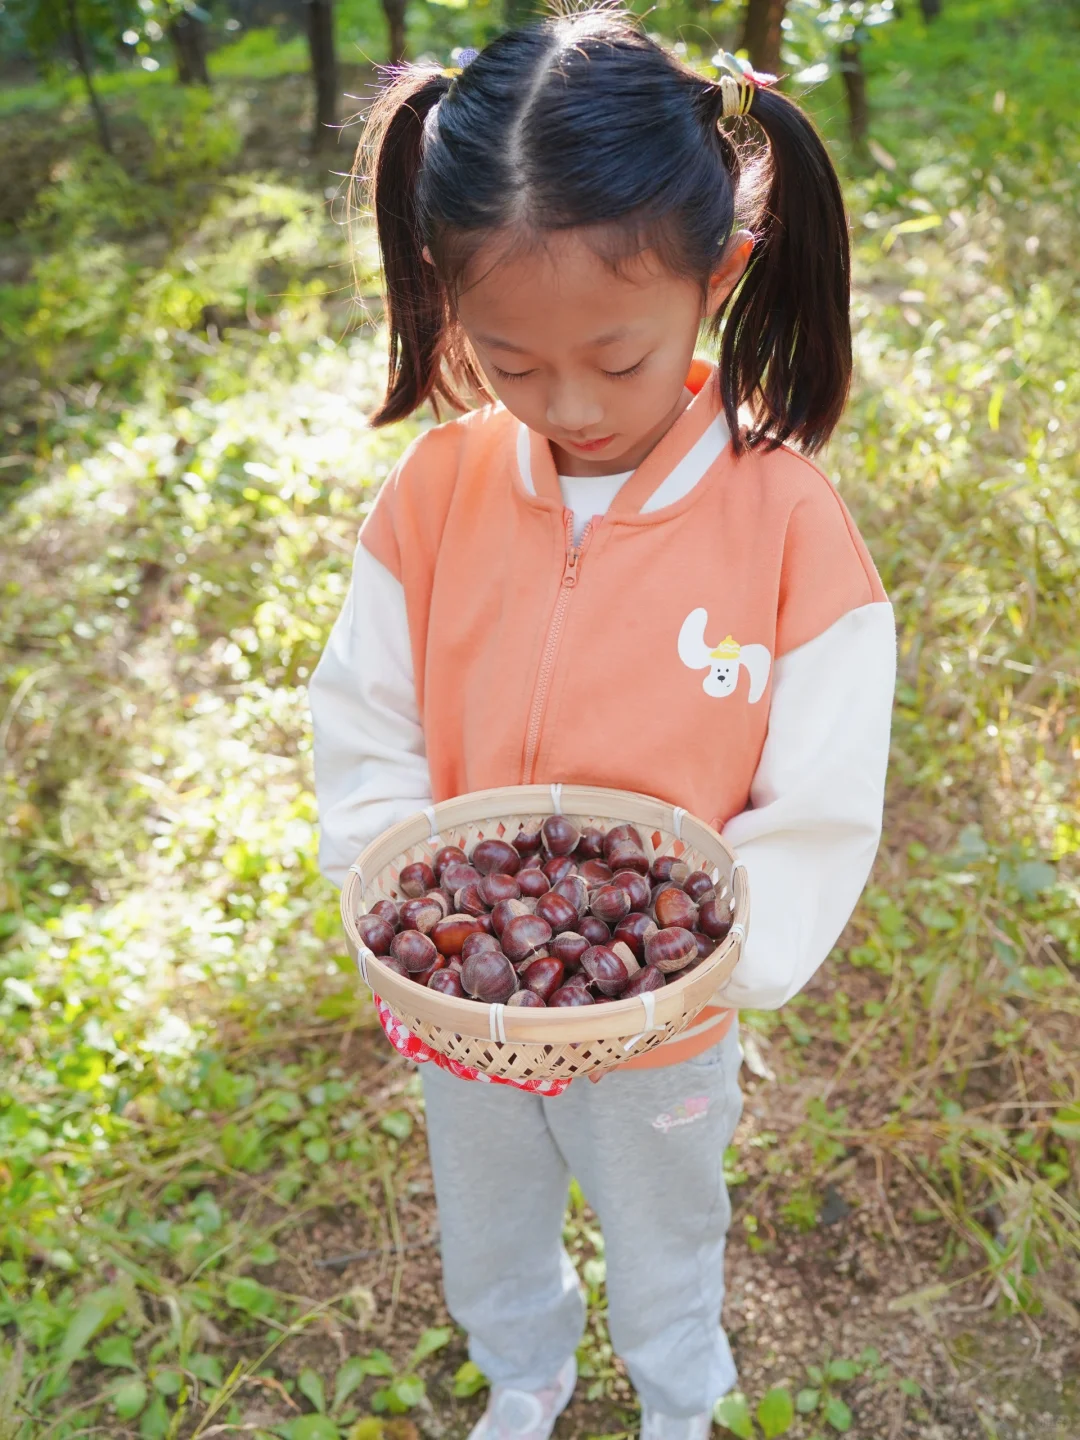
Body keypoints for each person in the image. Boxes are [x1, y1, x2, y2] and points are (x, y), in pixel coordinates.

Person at [310, 9, 895, 1440]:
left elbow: (819, 795)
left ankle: (679, 1393)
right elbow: (365, 717)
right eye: (511, 362)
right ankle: (526, 1370)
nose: (565, 406)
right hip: (468, 1019)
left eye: (615, 359)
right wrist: (395, 870)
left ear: (721, 273)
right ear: (452, 305)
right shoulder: (436, 496)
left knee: (662, 1223)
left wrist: (712, 963)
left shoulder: (787, 525)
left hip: (662, 1025)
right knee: (487, 1217)